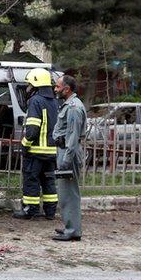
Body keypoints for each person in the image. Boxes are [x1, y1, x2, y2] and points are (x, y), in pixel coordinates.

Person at [14, 68, 59, 220]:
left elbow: (32, 129)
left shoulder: (35, 101)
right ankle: (50, 211)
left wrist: (25, 144)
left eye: (29, 85)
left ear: (35, 85)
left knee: (31, 180)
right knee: (48, 181)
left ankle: (30, 210)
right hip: (51, 152)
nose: (27, 88)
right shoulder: (54, 102)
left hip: (36, 152)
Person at [52, 75, 86, 241]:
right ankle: (70, 225)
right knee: (65, 193)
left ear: (67, 89)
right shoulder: (68, 105)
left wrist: (66, 160)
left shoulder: (73, 107)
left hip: (68, 153)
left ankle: (73, 231)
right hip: (65, 151)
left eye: (58, 87)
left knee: (70, 193)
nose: (55, 89)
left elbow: (72, 136)